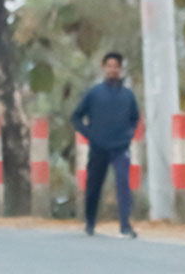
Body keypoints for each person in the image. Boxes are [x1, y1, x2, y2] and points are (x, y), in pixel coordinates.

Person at [70, 52, 140, 238]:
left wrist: (129, 134)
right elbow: (76, 117)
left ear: (120, 68)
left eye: (115, 66)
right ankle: (90, 223)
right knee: (93, 185)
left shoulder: (127, 95)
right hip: (98, 147)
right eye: (109, 66)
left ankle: (125, 226)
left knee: (123, 184)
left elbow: (135, 118)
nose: (112, 69)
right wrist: (90, 135)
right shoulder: (94, 94)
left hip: (120, 148)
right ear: (104, 68)